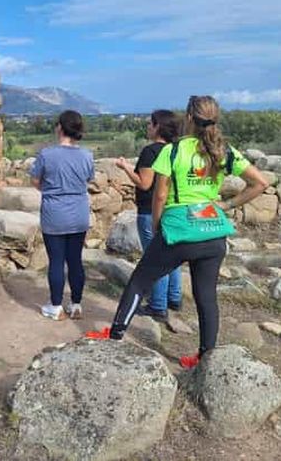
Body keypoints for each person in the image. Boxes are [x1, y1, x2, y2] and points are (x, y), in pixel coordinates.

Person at [107, 95, 268, 367]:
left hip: (179, 228)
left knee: (139, 280)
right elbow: (260, 183)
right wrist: (225, 204)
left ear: (189, 118)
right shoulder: (224, 150)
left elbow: (160, 195)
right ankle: (206, 358)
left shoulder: (173, 150)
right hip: (212, 231)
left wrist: (158, 226)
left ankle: (114, 336)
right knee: (207, 296)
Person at [30, 110, 95, 321]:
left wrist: (51, 191)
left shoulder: (46, 154)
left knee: (56, 260)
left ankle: (56, 306)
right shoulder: (87, 155)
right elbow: (88, 179)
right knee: (75, 260)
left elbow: (35, 181)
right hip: (79, 213)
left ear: (60, 127)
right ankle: (76, 304)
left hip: (54, 214)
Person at [116, 110, 180, 321]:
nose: (147, 127)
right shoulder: (176, 150)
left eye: (150, 124)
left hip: (150, 210)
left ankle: (158, 305)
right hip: (173, 209)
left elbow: (145, 183)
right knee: (172, 257)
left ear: (158, 127)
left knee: (156, 259)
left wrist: (125, 167)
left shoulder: (150, 152)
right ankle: (174, 298)